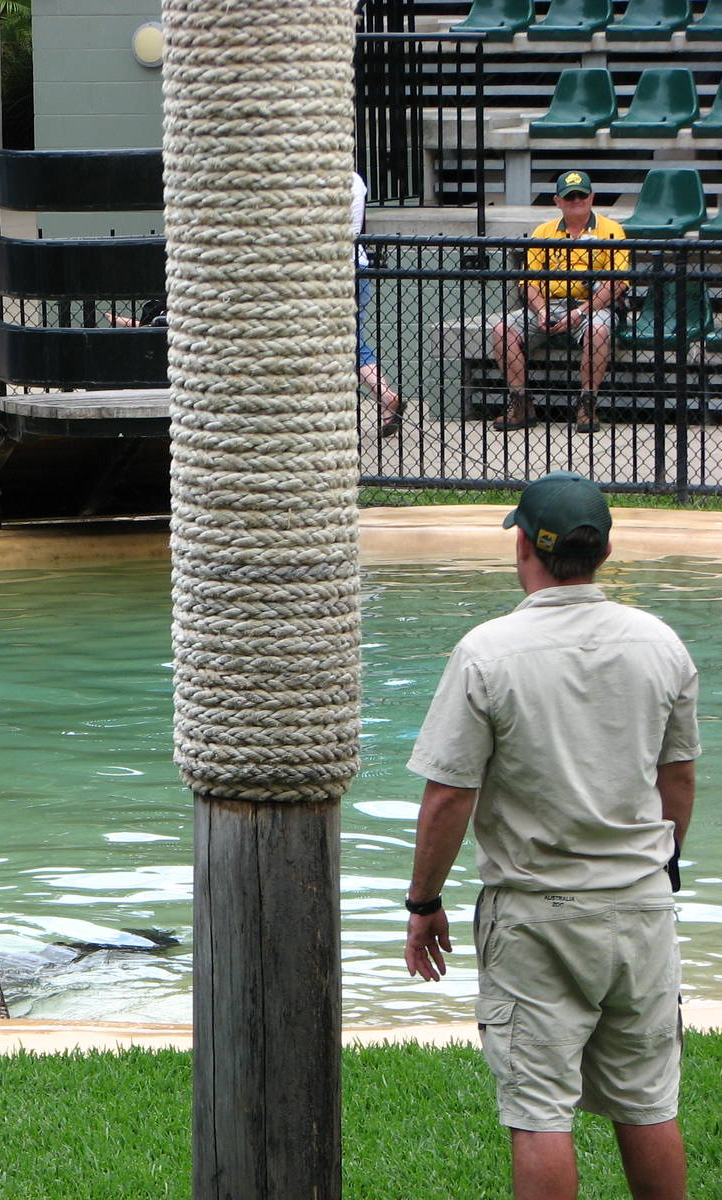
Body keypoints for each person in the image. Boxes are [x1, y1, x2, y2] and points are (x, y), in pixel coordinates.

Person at [402, 471, 699, 1200]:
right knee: (648, 1103)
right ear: (600, 550)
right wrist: (665, 868)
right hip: (640, 906)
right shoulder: (661, 645)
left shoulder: (487, 652)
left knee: (540, 1114)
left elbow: (448, 799)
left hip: (537, 916)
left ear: (526, 549)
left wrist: (424, 903)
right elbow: (679, 783)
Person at [489, 170, 629, 436]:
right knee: (501, 329)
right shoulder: (543, 232)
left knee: (597, 331)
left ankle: (587, 404)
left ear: (592, 197)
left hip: (592, 306)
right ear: (558, 201)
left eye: (582, 195)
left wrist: (579, 312)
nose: (577, 200)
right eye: (570, 196)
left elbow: (616, 284)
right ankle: (521, 403)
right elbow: (529, 282)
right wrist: (541, 311)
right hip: (548, 305)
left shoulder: (611, 230)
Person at [353, 171, 405, 437]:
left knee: (349, 343)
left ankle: (386, 396)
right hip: (357, 262)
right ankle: (386, 400)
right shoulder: (356, 180)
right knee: (354, 340)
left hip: (333, 267)